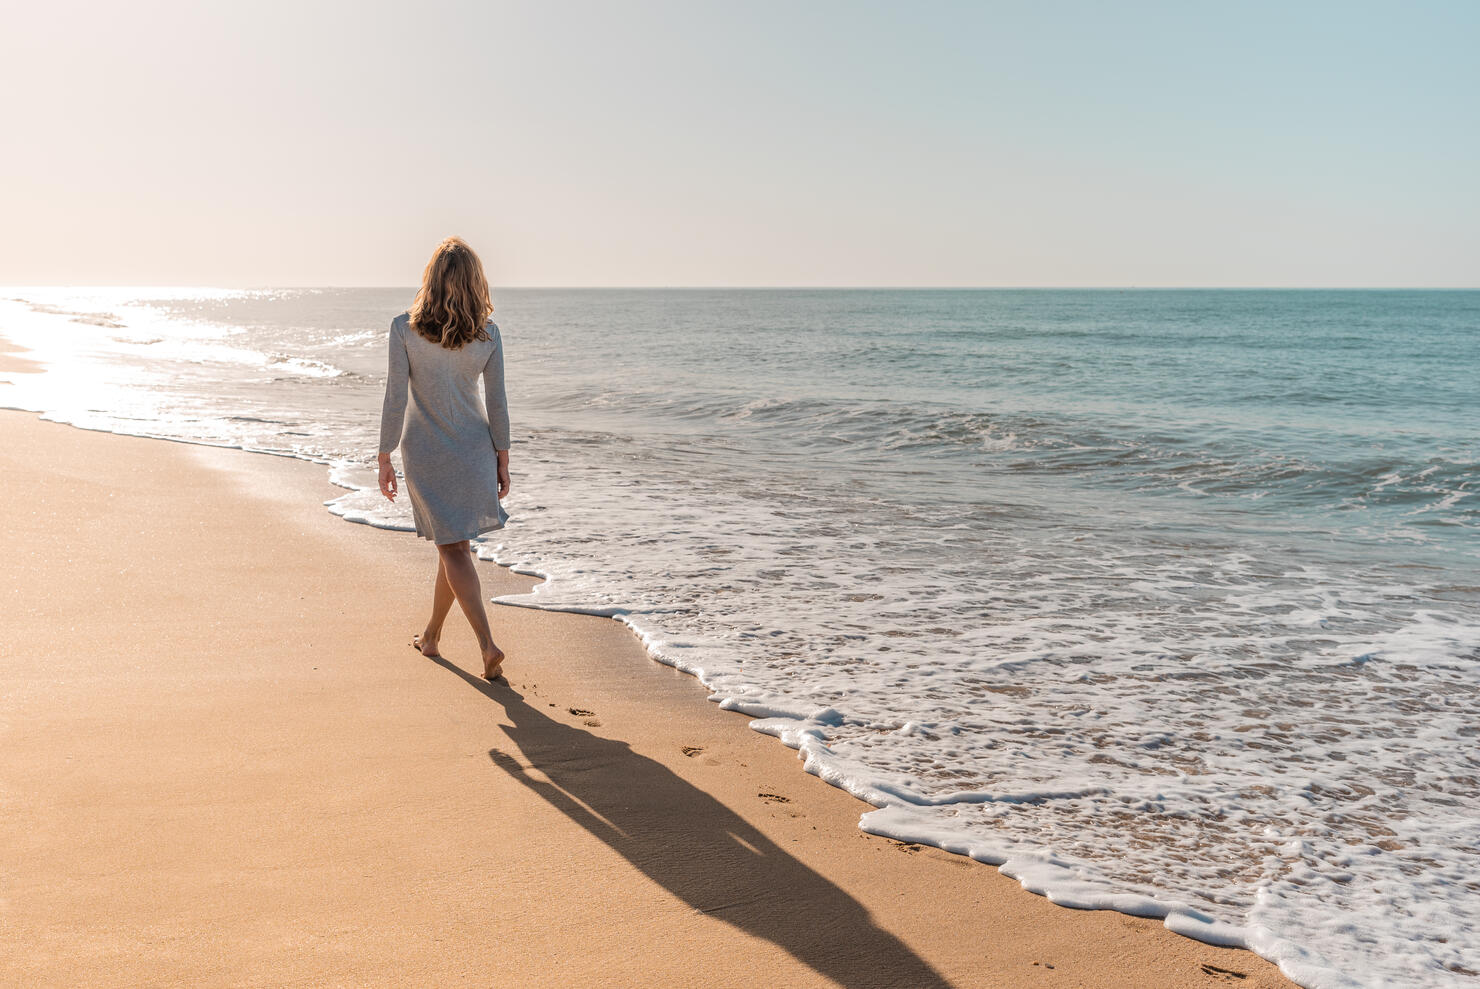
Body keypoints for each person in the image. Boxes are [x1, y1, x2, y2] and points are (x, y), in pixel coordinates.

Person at [377, 236, 511, 680]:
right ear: (476, 282)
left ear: (430, 278)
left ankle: (487, 646)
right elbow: (498, 405)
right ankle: (431, 636)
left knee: (452, 548)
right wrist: (502, 459)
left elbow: (396, 398)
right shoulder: (487, 334)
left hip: (426, 451)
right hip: (474, 450)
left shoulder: (403, 328)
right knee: (454, 547)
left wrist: (384, 455)